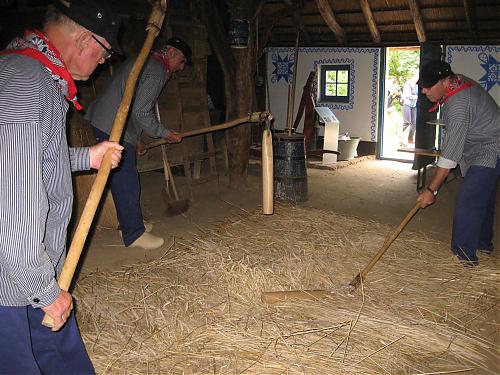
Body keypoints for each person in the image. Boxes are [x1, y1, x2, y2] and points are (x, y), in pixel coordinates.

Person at [0, 0, 124, 373]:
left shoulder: (33, 75)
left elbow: (31, 162)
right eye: (103, 55)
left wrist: (87, 157)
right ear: (85, 40)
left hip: (29, 272)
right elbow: (13, 202)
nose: (102, 64)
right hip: (12, 280)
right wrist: (45, 291)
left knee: (64, 359)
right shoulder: (27, 85)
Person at [85, 37, 191, 250]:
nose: (181, 67)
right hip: (111, 125)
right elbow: (141, 111)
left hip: (105, 121)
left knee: (121, 177)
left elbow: (130, 102)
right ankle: (133, 234)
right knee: (127, 180)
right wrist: (163, 133)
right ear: (171, 52)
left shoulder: (144, 61)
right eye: (182, 60)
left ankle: (128, 223)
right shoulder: (157, 70)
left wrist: (136, 140)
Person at [416, 60, 500, 266]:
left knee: (468, 199)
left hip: (490, 146)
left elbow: (450, 155)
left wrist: (431, 189)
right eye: (423, 86)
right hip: (478, 144)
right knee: (483, 197)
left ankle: (463, 256)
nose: (425, 91)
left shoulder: (458, 103)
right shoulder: (456, 82)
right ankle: (482, 243)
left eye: (429, 86)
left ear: (445, 81)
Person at [401, 70, 419, 145]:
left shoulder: (419, 84)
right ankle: (399, 136)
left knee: (414, 123)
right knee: (407, 122)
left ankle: (410, 139)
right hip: (407, 104)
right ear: (413, 75)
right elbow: (408, 96)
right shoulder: (408, 83)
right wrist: (418, 97)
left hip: (414, 105)